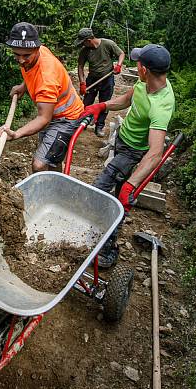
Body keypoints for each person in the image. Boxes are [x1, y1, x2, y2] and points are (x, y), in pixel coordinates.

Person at [83, 44, 175, 267]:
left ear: (144, 69)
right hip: (122, 140)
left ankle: (106, 248)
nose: (136, 65)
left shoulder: (161, 105)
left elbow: (155, 153)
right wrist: (103, 105)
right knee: (114, 195)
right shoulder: (145, 83)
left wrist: (131, 185)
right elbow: (126, 100)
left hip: (133, 153)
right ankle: (104, 235)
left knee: (102, 191)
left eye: (138, 63)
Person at [0, 22, 85, 172]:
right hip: (52, 113)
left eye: (26, 55)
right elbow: (32, 71)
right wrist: (23, 86)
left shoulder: (47, 78)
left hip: (66, 118)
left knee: (39, 164)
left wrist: (17, 133)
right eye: (16, 54)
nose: (21, 60)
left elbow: (44, 119)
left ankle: (51, 190)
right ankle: (55, 183)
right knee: (51, 157)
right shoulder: (37, 52)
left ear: (37, 49)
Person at [75, 27, 125, 138]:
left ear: (88, 40)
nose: (82, 45)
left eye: (83, 42)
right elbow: (80, 66)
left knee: (104, 104)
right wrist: (82, 83)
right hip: (92, 79)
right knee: (87, 102)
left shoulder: (108, 44)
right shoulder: (85, 51)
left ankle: (99, 126)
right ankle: (82, 123)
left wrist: (119, 65)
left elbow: (121, 54)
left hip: (107, 78)